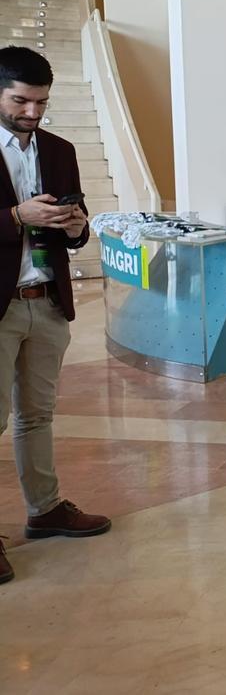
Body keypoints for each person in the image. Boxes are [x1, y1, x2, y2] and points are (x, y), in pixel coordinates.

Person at [0, 46, 111, 586]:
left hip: (44, 301)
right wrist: (17, 215)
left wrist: (75, 227)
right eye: (21, 101)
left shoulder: (60, 148)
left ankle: (44, 510)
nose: (33, 113)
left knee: (37, 416)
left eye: (41, 102)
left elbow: (79, 224)